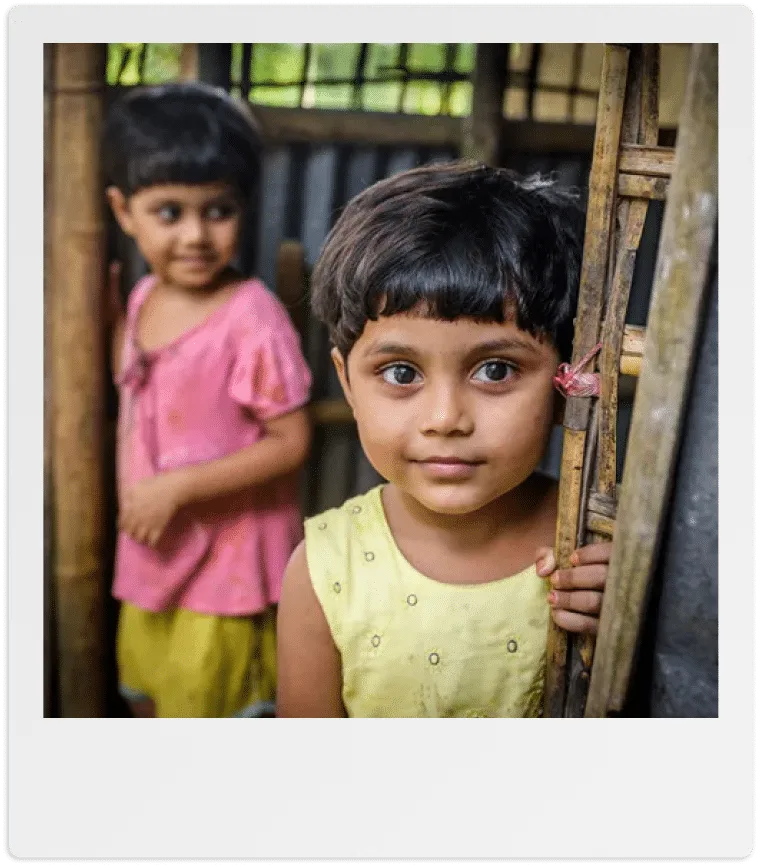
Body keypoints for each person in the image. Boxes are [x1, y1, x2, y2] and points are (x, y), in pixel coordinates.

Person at [276, 161, 610, 718]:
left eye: (496, 370)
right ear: (347, 383)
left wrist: (625, 623)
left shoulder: (596, 549)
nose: (445, 418)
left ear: (565, 382)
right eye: (402, 373)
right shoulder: (325, 571)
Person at [104, 82, 312, 718]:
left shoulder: (251, 317)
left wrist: (177, 489)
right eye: (169, 212)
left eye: (218, 210)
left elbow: (291, 442)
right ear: (123, 211)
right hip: (153, 559)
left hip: (227, 573)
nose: (195, 234)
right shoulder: (141, 298)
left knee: (210, 712)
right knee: (147, 697)